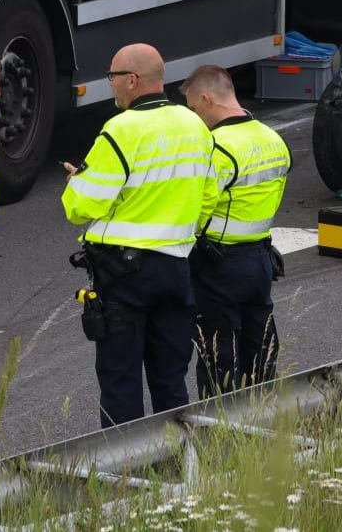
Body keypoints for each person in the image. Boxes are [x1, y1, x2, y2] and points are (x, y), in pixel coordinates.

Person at [61, 42, 214, 427]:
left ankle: (126, 478)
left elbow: (83, 206)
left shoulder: (121, 129)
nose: (110, 84)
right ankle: (179, 467)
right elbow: (208, 195)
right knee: (170, 379)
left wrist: (75, 182)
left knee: (120, 383)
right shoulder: (194, 124)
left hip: (124, 275)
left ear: (131, 80)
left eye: (112, 77)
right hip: (177, 270)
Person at [183, 63, 289, 399]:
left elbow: (197, 210)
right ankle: (262, 419)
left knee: (218, 358)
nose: (195, 117)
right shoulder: (274, 140)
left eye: (194, 109)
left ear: (206, 98)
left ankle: (220, 433)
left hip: (219, 265)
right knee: (259, 350)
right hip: (260, 259)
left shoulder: (216, 147)